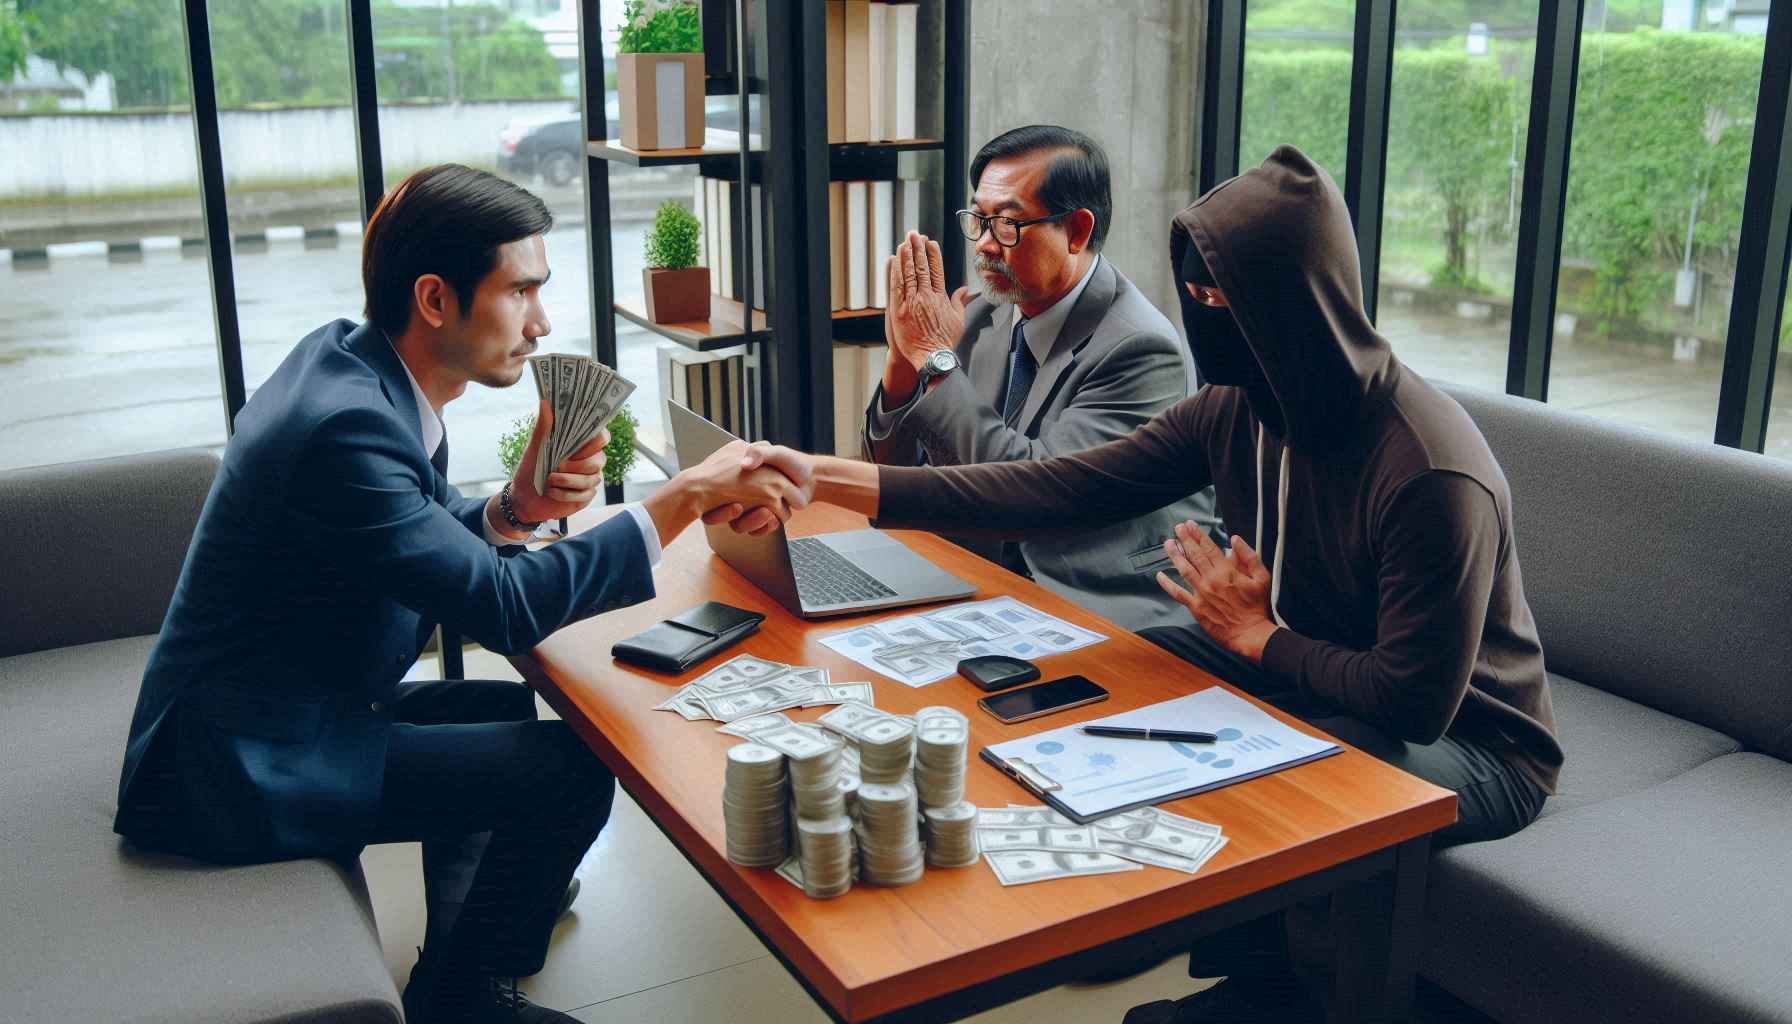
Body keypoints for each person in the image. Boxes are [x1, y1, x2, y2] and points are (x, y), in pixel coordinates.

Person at [747, 145, 1562, 1022]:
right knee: (1116, 669)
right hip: (1302, 660)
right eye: (1198, 297)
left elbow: (1412, 702)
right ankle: (1235, 974)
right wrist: (822, 478)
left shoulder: (1429, 471)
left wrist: (1262, 639)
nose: (1205, 318)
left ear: (1297, 303)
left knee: (1253, 779)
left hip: (1478, 743)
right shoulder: (1238, 409)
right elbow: (1053, 488)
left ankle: (1284, 994)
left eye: (1226, 301)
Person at [112, 164, 801, 1024]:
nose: (542, 323)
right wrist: (682, 500)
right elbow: (499, 607)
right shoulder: (347, 429)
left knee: (503, 712)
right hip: (235, 764)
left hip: (277, 704)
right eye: (521, 293)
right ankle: (459, 1001)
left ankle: (466, 942)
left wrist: (517, 510)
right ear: (435, 298)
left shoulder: (356, 369)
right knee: (573, 773)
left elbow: (416, 539)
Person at [864, 125, 1219, 631]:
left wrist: (935, 359)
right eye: (979, 220)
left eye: (1007, 224)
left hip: (1092, 598)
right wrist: (903, 361)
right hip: (973, 574)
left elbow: (1035, 495)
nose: (985, 245)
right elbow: (903, 470)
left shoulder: (1141, 348)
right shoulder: (983, 315)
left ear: (1076, 231)